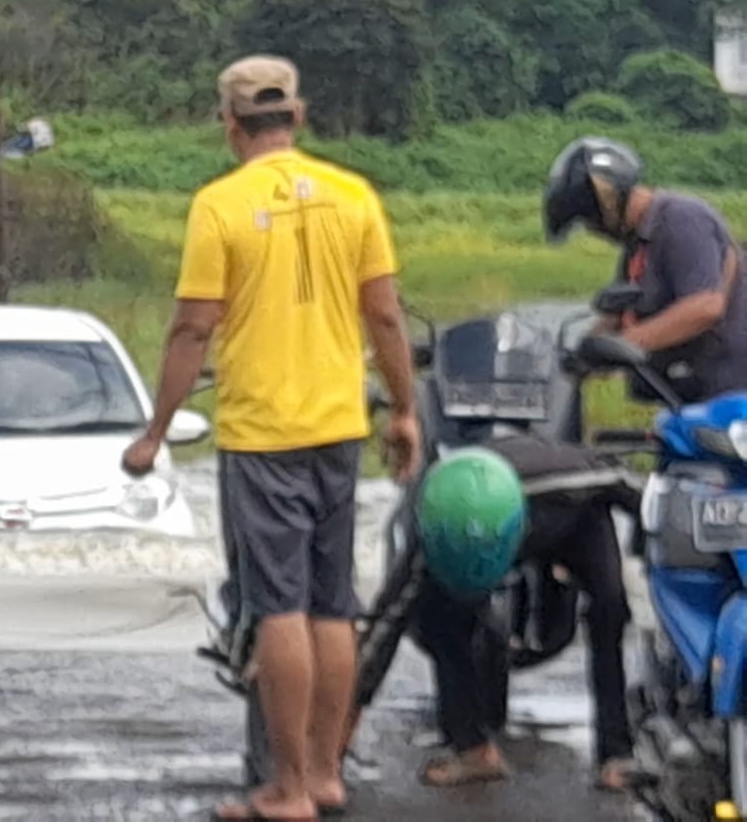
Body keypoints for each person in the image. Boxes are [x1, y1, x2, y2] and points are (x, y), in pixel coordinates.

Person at [122, 54, 421, 821]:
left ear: (229, 124)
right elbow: (384, 314)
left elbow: (193, 325)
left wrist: (154, 431)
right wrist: (403, 411)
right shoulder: (354, 196)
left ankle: (287, 789)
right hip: (336, 429)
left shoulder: (218, 205)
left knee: (278, 606)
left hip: (262, 435)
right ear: (298, 115)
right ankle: (323, 772)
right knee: (332, 604)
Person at [413, 433, 639, 792]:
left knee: (610, 609)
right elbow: (386, 619)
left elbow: (635, 490)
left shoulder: (572, 481)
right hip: (489, 507)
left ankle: (617, 753)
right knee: (438, 615)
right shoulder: (437, 516)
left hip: (575, 519)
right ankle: (473, 749)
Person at [545, 136, 747, 402]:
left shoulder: (682, 220)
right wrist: (579, 355)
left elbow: (705, 306)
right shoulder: (638, 245)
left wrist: (626, 344)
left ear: (609, 202)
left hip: (730, 397)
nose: (594, 231)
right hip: (693, 395)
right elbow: (620, 314)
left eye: (590, 219)